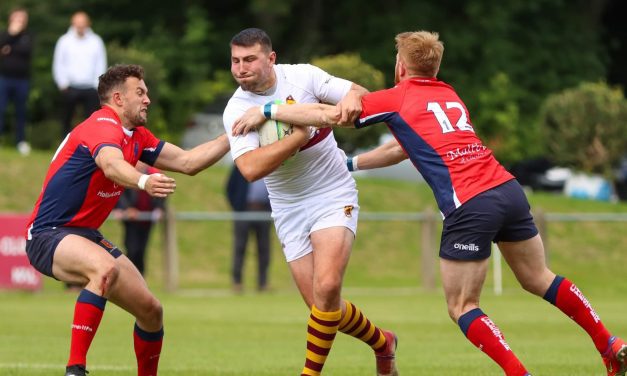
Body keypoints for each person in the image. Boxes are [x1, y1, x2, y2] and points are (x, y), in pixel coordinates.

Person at [233, 31, 627, 376]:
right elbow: (405, 148)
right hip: (507, 189)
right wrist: (350, 163)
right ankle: (608, 344)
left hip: (469, 201)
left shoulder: (398, 97)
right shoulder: (449, 95)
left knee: (462, 305)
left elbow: (336, 114)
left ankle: (517, 372)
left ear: (401, 66)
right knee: (540, 278)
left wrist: (268, 110)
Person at [25, 64, 230, 376]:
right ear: (118, 98)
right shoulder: (101, 125)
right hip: (47, 234)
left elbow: (188, 162)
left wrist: (237, 135)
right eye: (141, 92)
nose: (147, 99)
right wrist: (144, 181)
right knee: (103, 268)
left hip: (85, 235)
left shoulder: (137, 136)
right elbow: (111, 165)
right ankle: (74, 370)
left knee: (151, 311)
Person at [223, 28, 398, 376]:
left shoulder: (303, 76)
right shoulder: (237, 109)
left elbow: (358, 94)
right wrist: (296, 131)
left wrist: (346, 102)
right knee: (323, 307)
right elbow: (250, 169)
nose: (240, 68)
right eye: (235, 61)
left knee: (328, 286)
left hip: (332, 192)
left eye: (249, 59)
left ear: (271, 58)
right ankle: (383, 343)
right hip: (288, 207)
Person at [53, 11, 107, 137]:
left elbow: (100, 63)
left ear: (88, 24)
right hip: (70, 87)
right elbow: (59, 63)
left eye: (83, 24)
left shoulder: (96, 41)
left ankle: (90, 146)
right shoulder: (64, 41)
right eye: (78, 23)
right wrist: (63, 83)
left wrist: (97, 84)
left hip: (91, 87)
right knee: (66, 119)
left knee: (92, 120)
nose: (80, 26)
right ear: (73, 24)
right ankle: (65, 144)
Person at [114, 161, 165, 275]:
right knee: (132, 249)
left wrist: (159, 208)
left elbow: (161, 194)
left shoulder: (155, 175)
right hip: (131, 219)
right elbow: (120, 192)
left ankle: (140, 277)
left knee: (142, 250)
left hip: (147, 219)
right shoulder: (126, 175)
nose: (141, 164)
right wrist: (127, 208)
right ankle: (129, 275)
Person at [226, 164, 272, 293]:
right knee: (240, 247)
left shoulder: (270, 163)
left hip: (264, 210)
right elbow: (230, 187)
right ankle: (237, 282)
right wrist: (237, 206)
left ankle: (263, 283)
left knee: (264, 248)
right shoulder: (241, 164)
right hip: (244, 210)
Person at [0, 7, 32, 155]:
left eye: (22, 19)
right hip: (4, 78)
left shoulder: (28, 36)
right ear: (11, 20)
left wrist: (10, 48)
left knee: (21, 112)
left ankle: (20, 141)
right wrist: (12, 35)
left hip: (22, 81)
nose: (19, 22)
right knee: (1, 109)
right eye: (16, 18)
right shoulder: (5, 34)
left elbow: (26, 51)